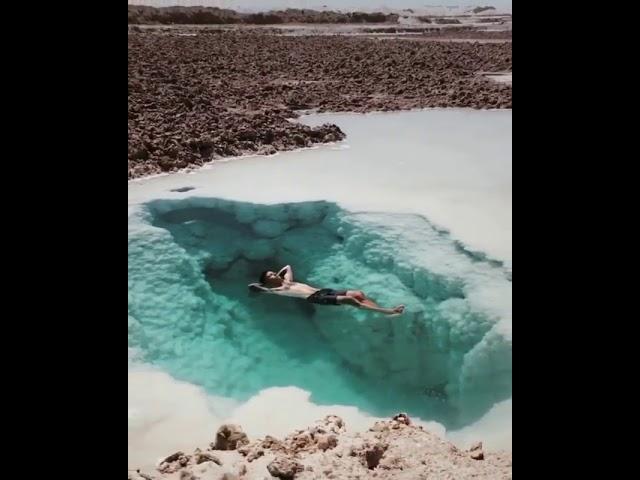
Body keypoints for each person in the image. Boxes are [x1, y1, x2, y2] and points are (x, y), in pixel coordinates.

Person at [249, 265, 405, 315]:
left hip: (322, 291)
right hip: (314, 298)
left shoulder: (287, 280)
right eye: (271, 275)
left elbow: (287, 267)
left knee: (358, 294)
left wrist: (280, 275)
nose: (274, 274)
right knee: (350, 300)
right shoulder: (277, 289)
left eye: (273, 272)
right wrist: (263, 285)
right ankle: (389, 312)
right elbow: (255, 287)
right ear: (268, 281)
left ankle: (380, 309)